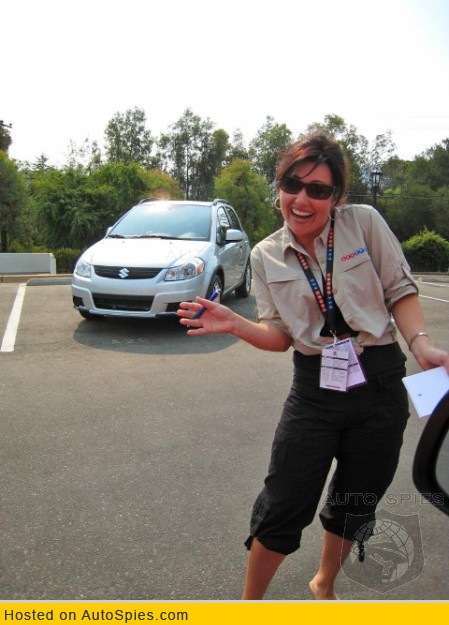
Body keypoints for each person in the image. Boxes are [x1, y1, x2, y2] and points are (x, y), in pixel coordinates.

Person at [177, 131, 449, 601]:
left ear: (336, 196)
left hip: (381, 381)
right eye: (292, 184)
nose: (302, 200)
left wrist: (421, 345)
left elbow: (399, 290)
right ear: (279, 186)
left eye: (318, 189)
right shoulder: (265, 255)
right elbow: (279, 335)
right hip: (314, 387)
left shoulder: (363, 224)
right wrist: (238, 325)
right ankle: (249, 606)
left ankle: (324, 584)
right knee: (284, 500)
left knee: (357, 497)